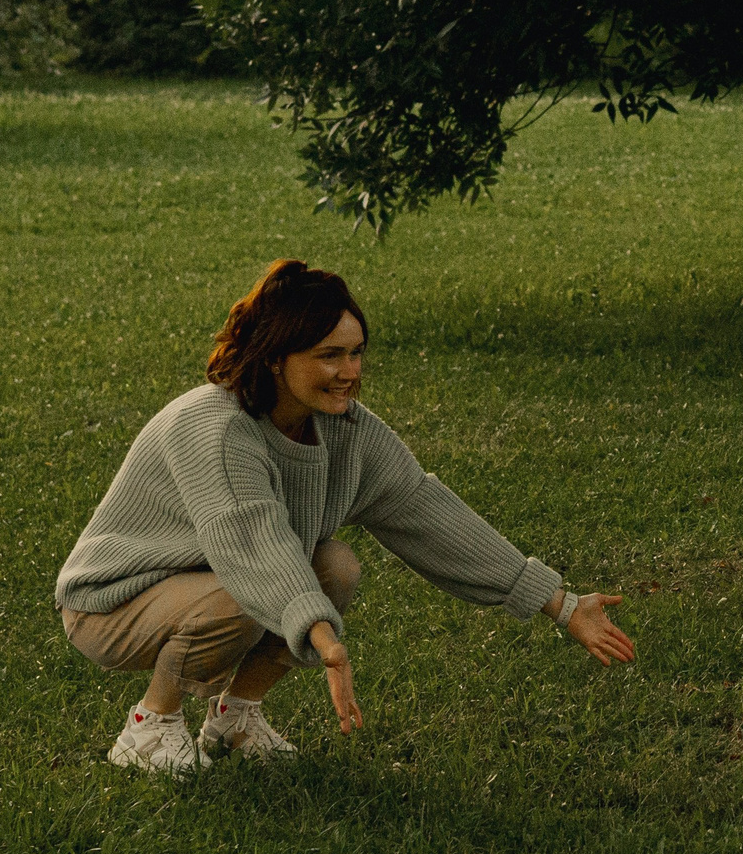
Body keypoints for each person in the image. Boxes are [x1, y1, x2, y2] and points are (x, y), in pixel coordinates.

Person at [56, 259, 636, 775]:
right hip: (112, 602)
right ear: (276, 356)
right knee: (242, 595)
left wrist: (559, 603)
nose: (349, 371)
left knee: (335, 566)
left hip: (212, 578)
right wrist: (324, 638)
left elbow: (425, 511)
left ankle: (233, 719)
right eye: (328, 355)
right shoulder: (217, 426)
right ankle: (150, 727)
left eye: (355, 352)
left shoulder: (345, 426)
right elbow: (253, 547)